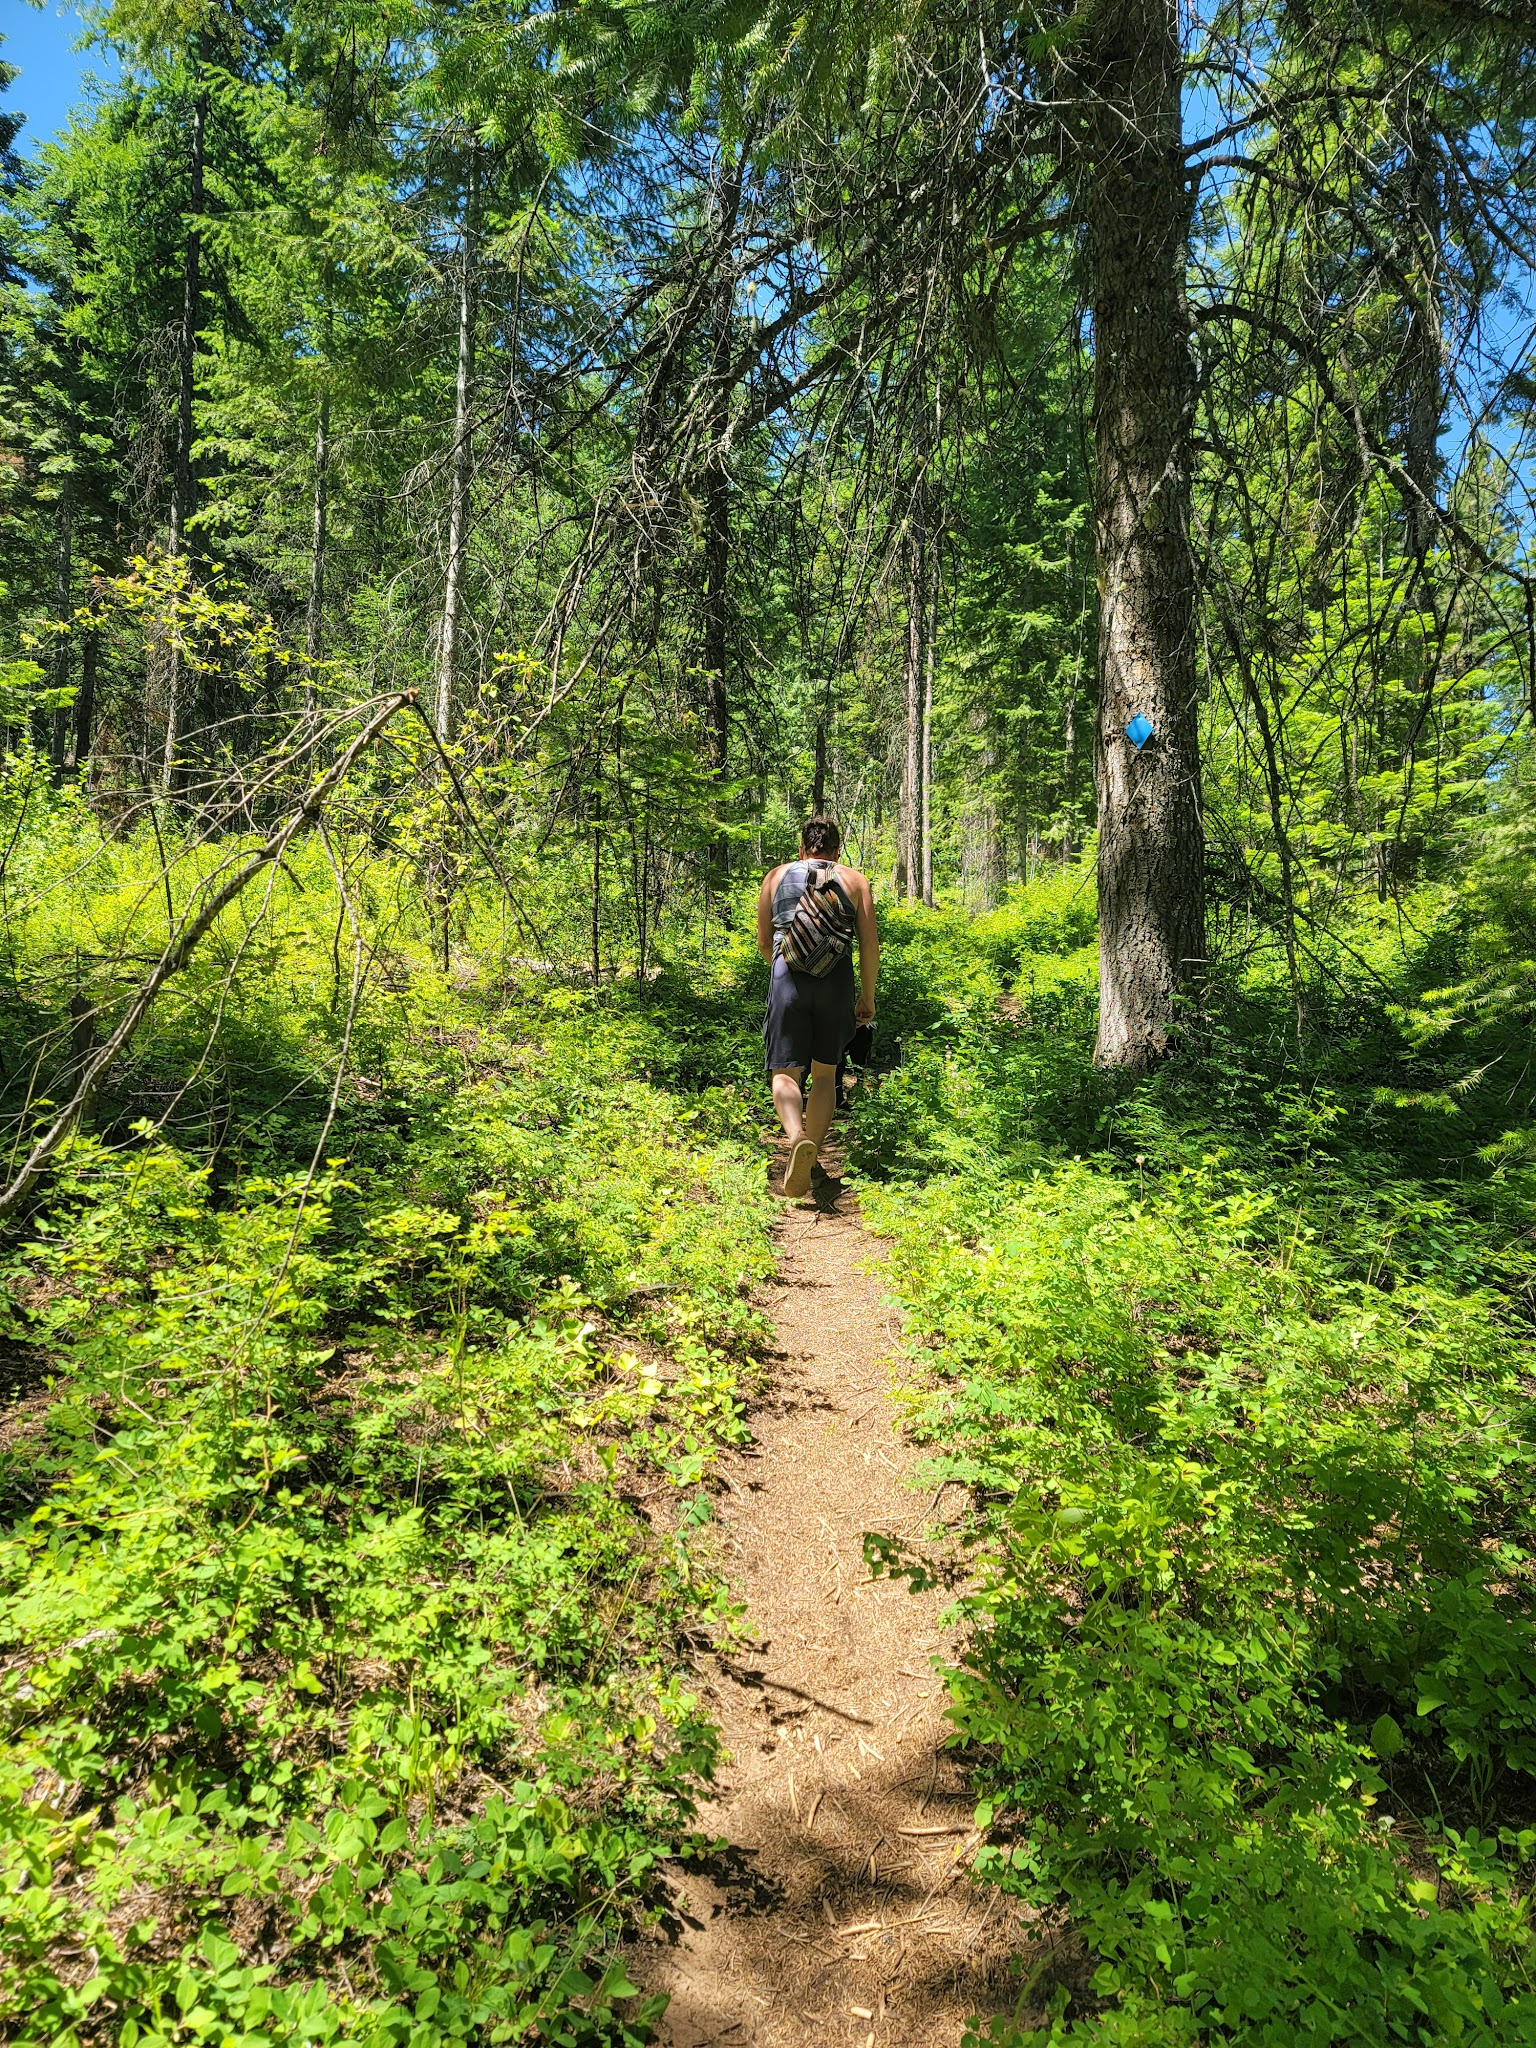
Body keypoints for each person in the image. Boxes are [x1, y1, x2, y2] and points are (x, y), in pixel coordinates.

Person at [756, 816, 878, 1199]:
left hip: (786, 976)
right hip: (835, 982)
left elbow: (763, 943)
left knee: (785, 1072)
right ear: (836, 850)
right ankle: (811, 1156)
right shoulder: (855, 881)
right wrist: (867, 997)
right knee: (826, 1075)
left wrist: (787, 966)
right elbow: (869, 947)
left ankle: (796, 1140)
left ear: (801, 848)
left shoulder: (775, 877)